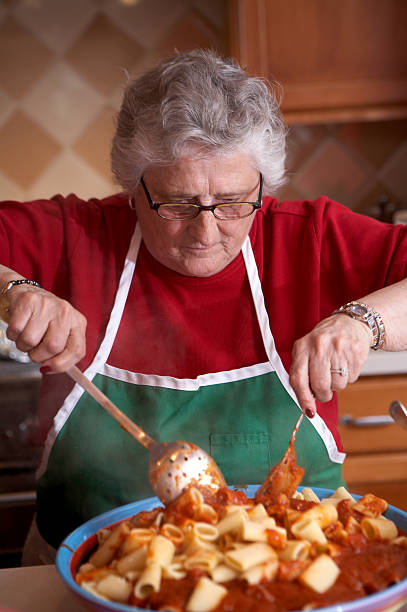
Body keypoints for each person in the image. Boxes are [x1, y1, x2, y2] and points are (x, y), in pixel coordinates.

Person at [0, 49, 406, 561]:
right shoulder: (76, 236)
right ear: (132, 188)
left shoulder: (309, 238)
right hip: (81, 576)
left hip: (300, 573)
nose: (206, 232)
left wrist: (363, 321)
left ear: (264, 185)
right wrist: (13, 289)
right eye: (177, 203)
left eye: (235, 202)